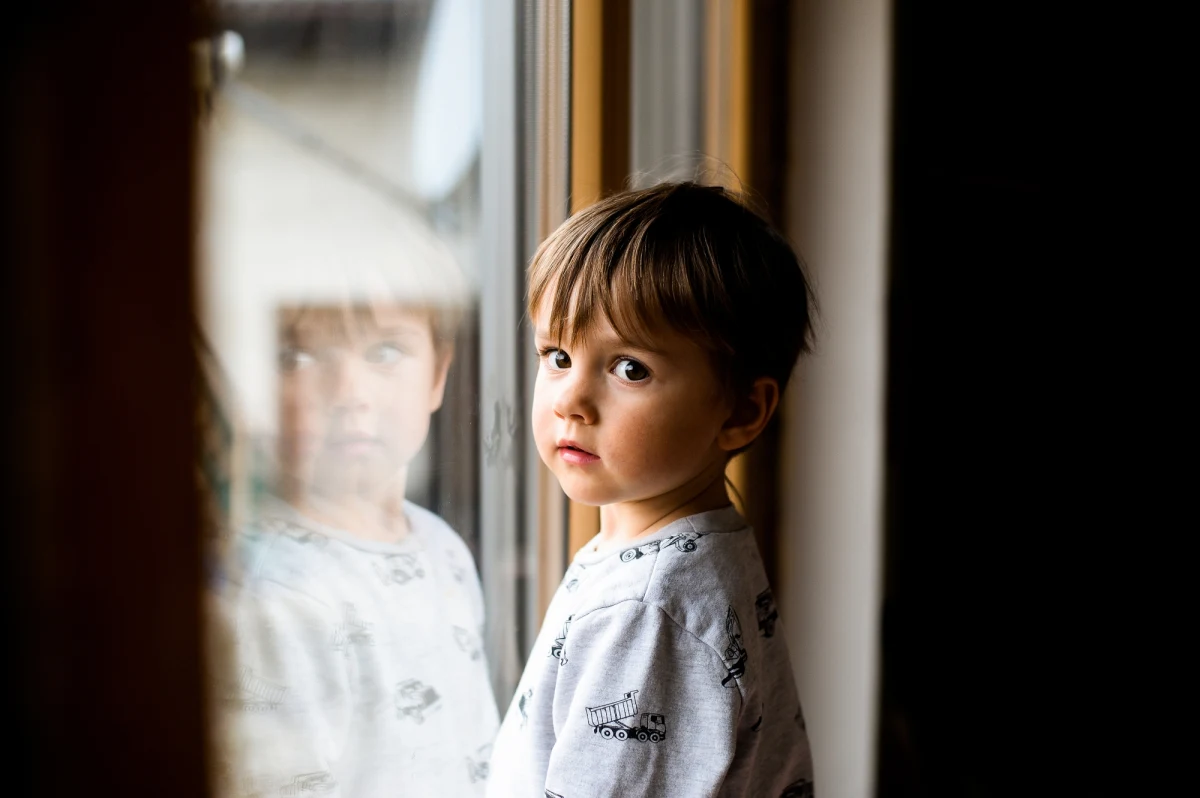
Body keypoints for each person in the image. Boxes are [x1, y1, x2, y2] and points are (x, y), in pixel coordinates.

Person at [487, 181, 816, 797]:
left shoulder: (648, 610)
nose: (571, 401)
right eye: (557, 355)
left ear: (742, 411)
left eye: (630, 368)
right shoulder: (685, 556)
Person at [210, 276, 499, 797]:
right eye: (296, 357)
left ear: (437, 374)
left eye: (385, 352)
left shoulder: (443, 546)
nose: (349, 394)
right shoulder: (272, 592)